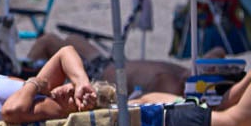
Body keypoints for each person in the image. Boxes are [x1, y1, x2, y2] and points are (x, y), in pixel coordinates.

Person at [26, 30, 189, 96]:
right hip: (107, 64)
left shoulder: (170, 84)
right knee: (72, 39)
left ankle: (24, 76)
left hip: (96, 77)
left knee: (48, 41)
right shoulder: (185, 73)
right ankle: (29, 70)